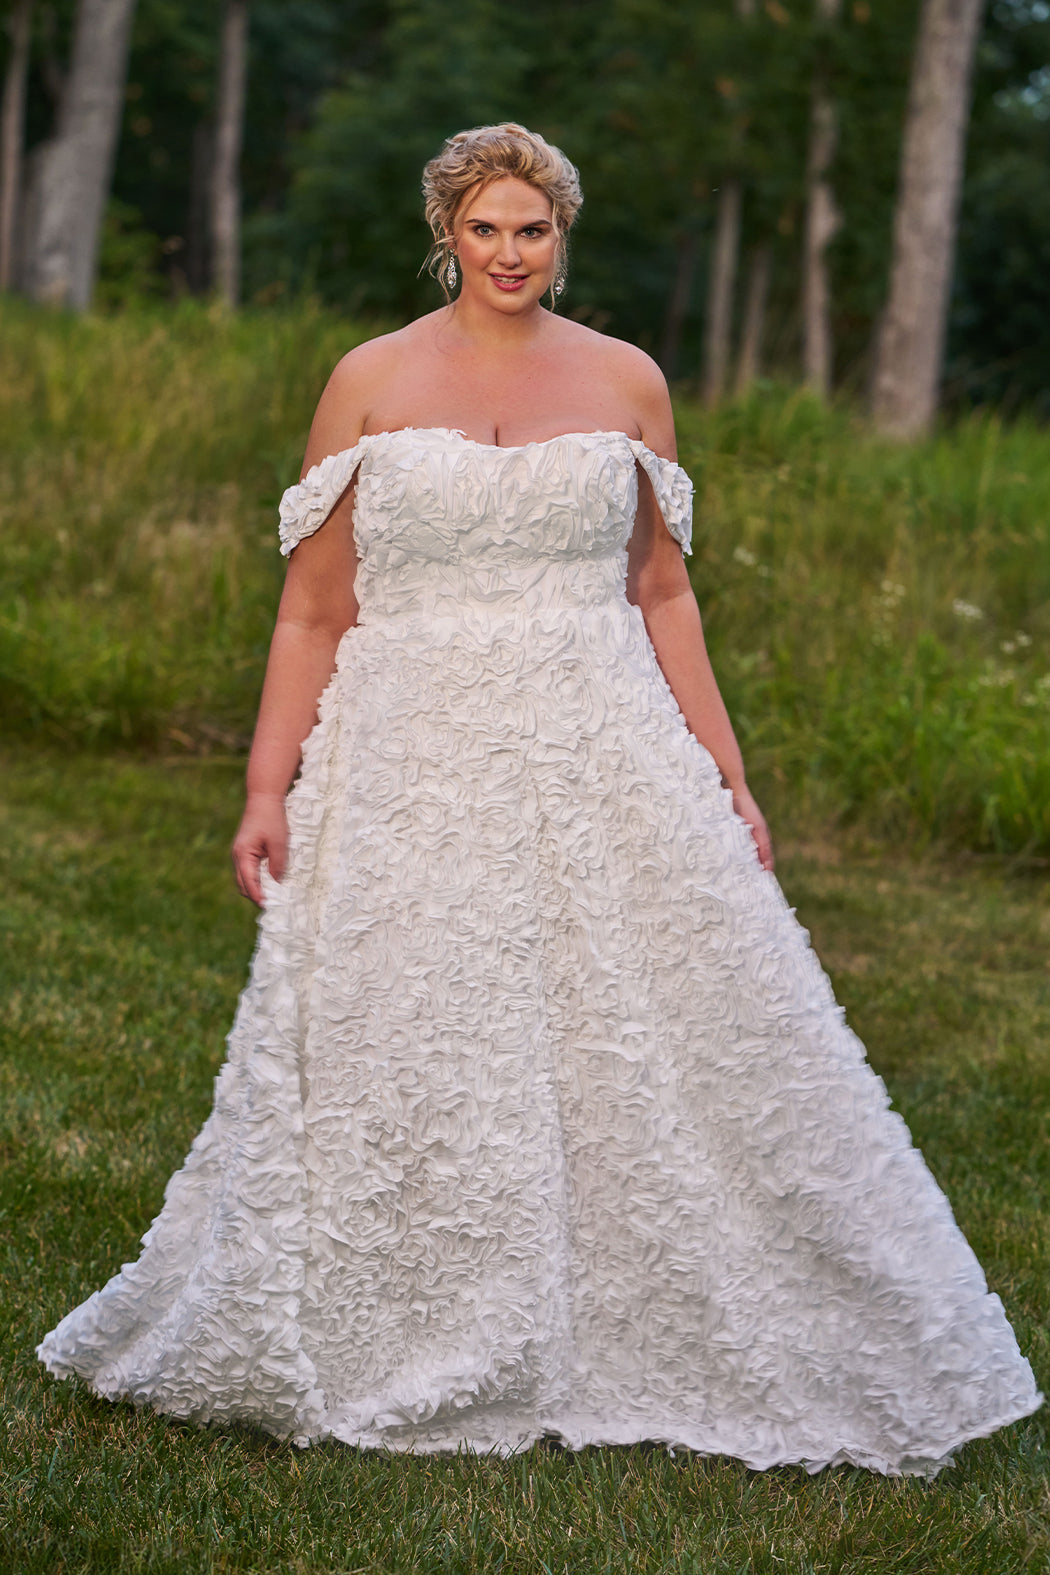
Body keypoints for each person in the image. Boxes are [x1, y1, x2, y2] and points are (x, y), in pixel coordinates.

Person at [39, 123, 1040, 1473]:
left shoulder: (627, 380)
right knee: (414, 1016)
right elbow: (313, 609)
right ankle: (400, 1306)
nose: (509, 253)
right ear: (446, 233)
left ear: (561, 236)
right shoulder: (369, 380)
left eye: (533, 229)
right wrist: (266, 784)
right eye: (485, 228)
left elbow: (662, 592)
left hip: (598, 740)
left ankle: (662, 1305)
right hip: (410, 751)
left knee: (655, 1017)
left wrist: (727, 769)